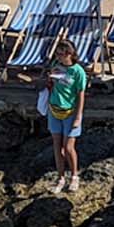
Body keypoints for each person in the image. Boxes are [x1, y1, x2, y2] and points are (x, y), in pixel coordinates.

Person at [43, 38, 87, 193]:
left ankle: (74, 176)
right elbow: (52, 86)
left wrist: (78, 116)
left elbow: (81, 94)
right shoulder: (57, 67)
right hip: (54, 110)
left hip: (70, 112)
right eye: (57, 54)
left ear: (69, 54)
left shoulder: (78, 71)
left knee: (69, 147)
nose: (58, 57)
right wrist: (50, 80)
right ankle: (60, 178)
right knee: (57, 146)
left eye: (61, 54)